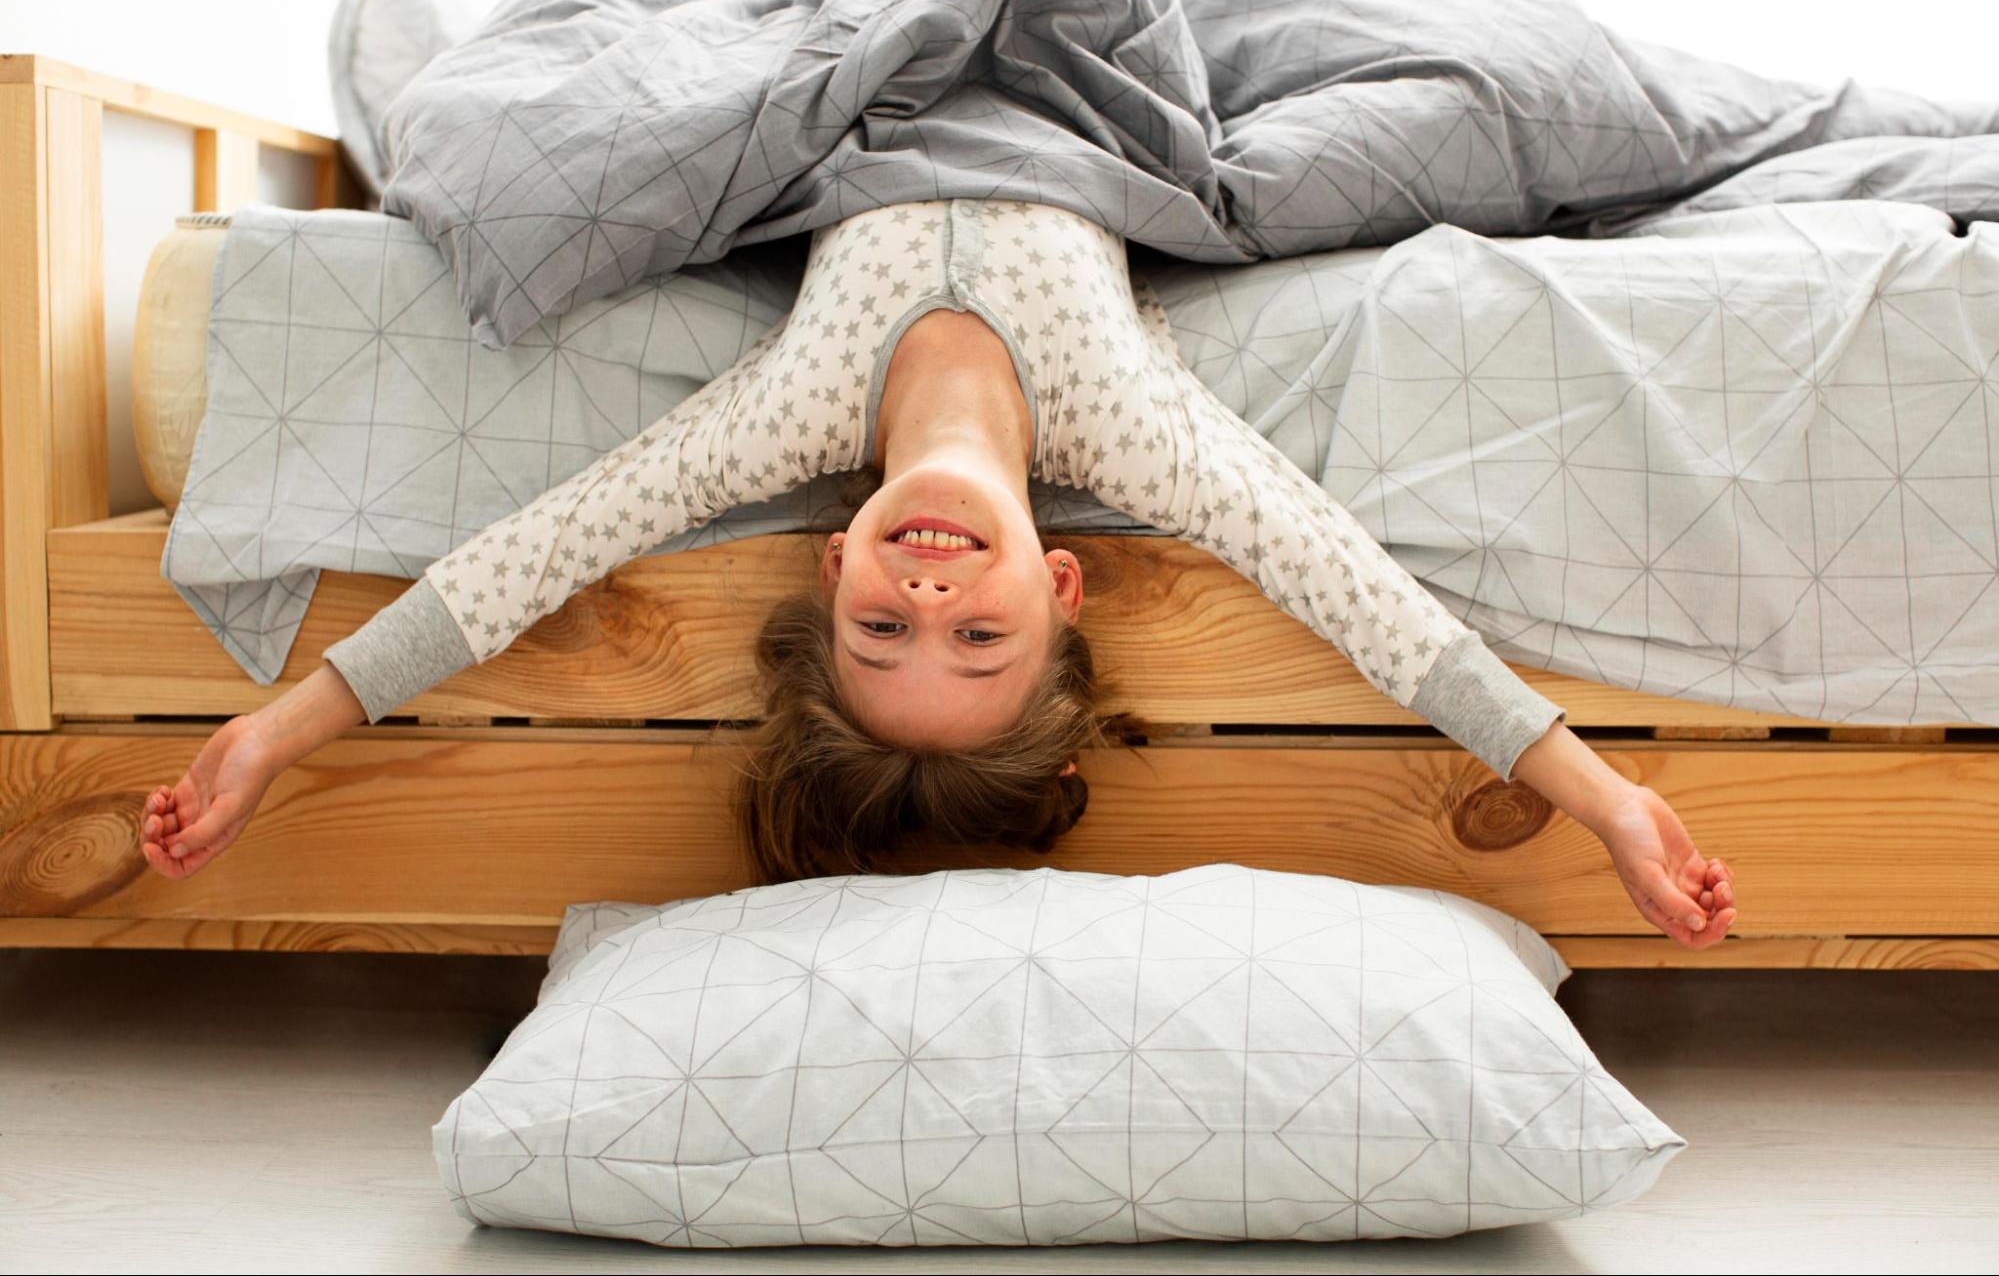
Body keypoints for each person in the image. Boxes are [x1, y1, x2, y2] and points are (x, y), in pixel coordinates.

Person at [138, 199, 1738, 949]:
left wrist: (277, 731)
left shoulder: (789, 415)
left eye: (880, 623)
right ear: (1065, 590)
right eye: (976, 635)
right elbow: (1367, 601)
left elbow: (535, 552)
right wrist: (1602, 798)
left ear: (828, 560)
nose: (927, 588)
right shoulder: (1135, 429)